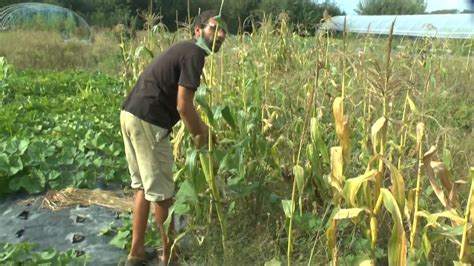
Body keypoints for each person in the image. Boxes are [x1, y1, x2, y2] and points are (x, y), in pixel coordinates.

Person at [120, 10, 227, 266]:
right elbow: (183, 105)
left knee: (143, 189)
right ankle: (170, 256)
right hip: (149, 120)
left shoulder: (184, 50)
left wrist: (200, 128)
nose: (221, 34)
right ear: (197, 31)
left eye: (224, 30)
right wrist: (202, 135)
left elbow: (184, 104)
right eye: (215, 28)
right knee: (163, 196)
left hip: (129, 114)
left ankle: (136, 253)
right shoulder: (194, 53)